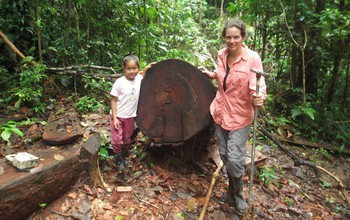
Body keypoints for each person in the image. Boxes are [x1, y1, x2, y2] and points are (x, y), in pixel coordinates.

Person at [198, 17, 267, 215]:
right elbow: (224, 76)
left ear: (243, 37)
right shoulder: (222, 55)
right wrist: (212, 74)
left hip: (240, 116)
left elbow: (258, 85)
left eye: (236, 37)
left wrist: (259, 97)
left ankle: (238, 195)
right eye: (228, 37)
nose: (232, 41)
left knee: (236, 160)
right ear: (224, 38)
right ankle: (230, 189)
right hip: (220, 112)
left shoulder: (252, 59)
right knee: (226, 156)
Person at [110, 54, 153, 173]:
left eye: (134, 68)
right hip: (118, 116)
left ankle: (124, 156)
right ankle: (118, 159)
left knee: (127, 139)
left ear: (138, 68)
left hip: (130, 117)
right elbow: (113, 100)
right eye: (128, 68)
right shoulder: (119, 82)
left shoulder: (139, 78)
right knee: (117, 140)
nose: (131, 71)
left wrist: (146, 70)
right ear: (124, 69)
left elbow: (142, 75)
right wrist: (114, 118)